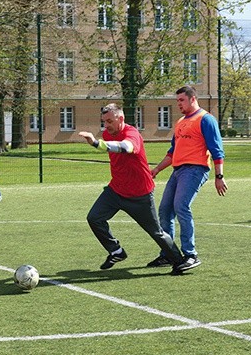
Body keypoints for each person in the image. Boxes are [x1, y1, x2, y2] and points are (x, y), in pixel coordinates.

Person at [78, 104, 185, 273]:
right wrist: (99, 143)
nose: (106, 126)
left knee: (156, 232)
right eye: (104, 122)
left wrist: (97, 143)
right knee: (94, 218)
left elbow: (126, 147)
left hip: (139, 194)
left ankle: (178, 261)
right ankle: (116, 251)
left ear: (121, 119)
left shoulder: (132, 133)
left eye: (109, 121)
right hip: (116, 190)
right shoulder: (108, 133)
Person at [150, 85, 228, 271]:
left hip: (195, 170)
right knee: (165, 210)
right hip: (178, 171)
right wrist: (157, 170)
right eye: (177, 101)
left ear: (193, 99)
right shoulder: (181, 123)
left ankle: (191, 254)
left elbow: (217, 150)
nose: (178, 104)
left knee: (181, 207)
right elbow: (172, 152)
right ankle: (169, 254)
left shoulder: (206, 119)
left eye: (181, 100)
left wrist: (219, 176)